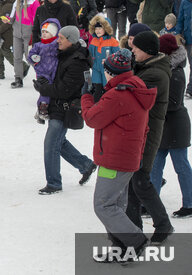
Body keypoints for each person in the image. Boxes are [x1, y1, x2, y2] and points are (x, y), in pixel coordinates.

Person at [81, 49, 154, 260]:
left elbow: (92, 119)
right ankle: (122, 249)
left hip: (114, 158)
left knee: (103, 205)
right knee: (117, 205)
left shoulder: (117, 95)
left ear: (110, 72)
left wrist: (86, 96)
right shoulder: (137, 88)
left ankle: (135, 241)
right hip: (128, 156)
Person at [32, 26, 96, 194]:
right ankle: (85, 165)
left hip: (65, 108)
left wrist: (44, 89)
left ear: (71, 40)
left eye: (61, 38)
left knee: (51, 144)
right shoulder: (64, 54)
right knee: (59, 141)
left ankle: (53, 183)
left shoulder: (77, 62)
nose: (57, 40)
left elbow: (64, 90)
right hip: (57, 105)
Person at [127, 30, 174, 243]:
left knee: (139, 179)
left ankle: (161, 225)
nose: (132, 50)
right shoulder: (147, 67)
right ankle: (135, 226)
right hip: (142, 132)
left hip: (148, 133)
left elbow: (131, 95)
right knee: (135, 180)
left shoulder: (154, 74)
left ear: (147, 51)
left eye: (136, 47)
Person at [152, 34, 192, 218]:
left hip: (176, 125)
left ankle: (190, 203)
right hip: (162, 124)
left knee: (181, 165)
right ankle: (151, 203)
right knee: (154, 165)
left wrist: (152, 104)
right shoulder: (163, 68)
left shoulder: (176, 72)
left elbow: (174, 102)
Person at [28, 19, 61, 124]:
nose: (44, 34)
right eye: (43, 32)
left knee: (53, 91)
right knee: (45, 91)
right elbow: (30, 55)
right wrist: (33, 57)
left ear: (53, 33)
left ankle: (44, 110)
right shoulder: (38, 45)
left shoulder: (57, 43)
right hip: (42, 72)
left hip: (55, 71)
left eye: (47, 32)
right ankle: (42, 108)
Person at [10, 0, 39, 89]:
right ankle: (18, 78)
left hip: (29, 34)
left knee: (30, 57)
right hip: (17, 33)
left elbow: (37, 19)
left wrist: (35, 33)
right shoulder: (16, 2)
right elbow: (12, 17)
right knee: (17, 57)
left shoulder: (33, 3)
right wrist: (8, 20)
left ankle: (41, 77)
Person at [87, 15, 119, 101]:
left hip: (107, 70)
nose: (97, 31)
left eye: (100, 28)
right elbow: (89, 53)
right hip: (96, 68)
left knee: (107, 88)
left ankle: (107, 103)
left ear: (106, 28)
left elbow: (117, 55)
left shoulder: (112, 41)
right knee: (97, 88)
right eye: (96, 29)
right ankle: (96, 105)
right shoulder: (94, 40)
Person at [173, 0, 192, 97]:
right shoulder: (185, 2)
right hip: (189, 39)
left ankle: (190, 89)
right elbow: (180, 20)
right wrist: (178, 34)